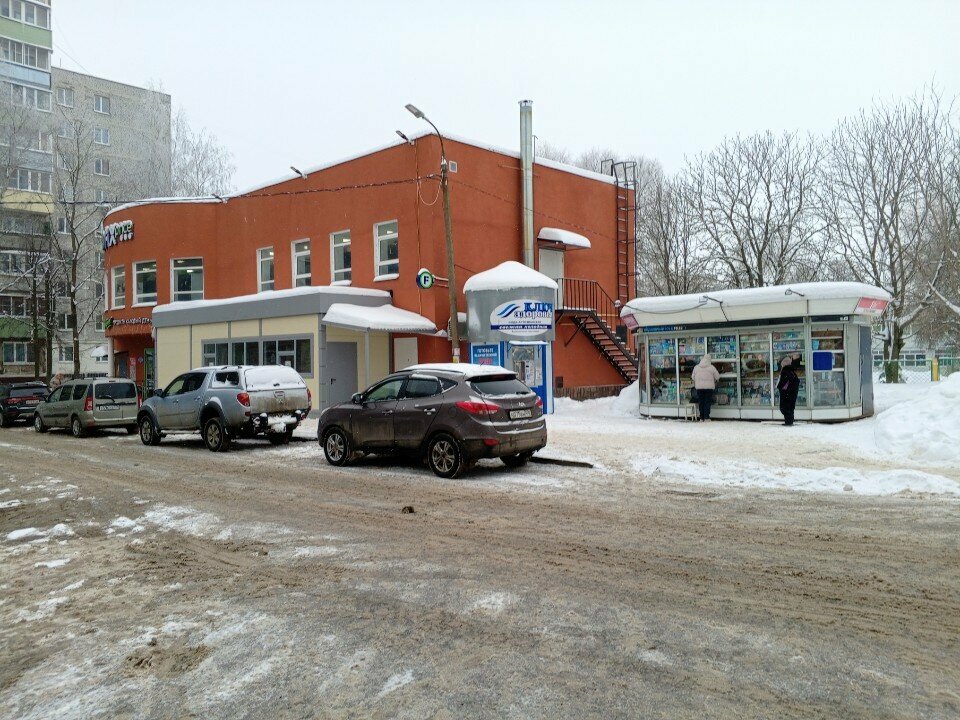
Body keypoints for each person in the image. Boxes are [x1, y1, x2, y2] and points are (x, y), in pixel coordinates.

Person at [691, 354, 720, 421]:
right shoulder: (712, 367)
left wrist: (698, 380)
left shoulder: (696, 367)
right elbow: (717, 377)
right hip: (709, 388)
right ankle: (706, 417)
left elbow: (693, 377)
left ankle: (701, 417)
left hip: (699, 388)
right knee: (707, 402)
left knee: (701, 402)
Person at [777, 357, 800, 426]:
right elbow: (796, 381)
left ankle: (788, 422)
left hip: (787, 393)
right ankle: (789, 421)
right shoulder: (792, 371)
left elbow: (783, 383)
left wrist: (780, 387)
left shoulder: (785, 372)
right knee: (790, 407)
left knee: (785, 407)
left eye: (782, 365)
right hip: (792, 393)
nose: (782, 366)